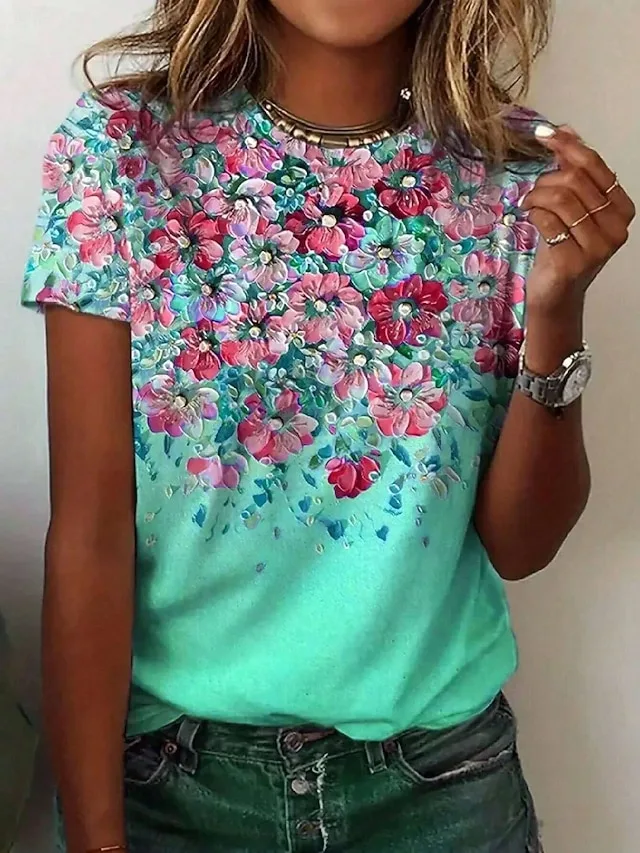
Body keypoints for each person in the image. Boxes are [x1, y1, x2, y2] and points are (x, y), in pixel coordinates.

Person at [21, 0, 635, 851]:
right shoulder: (122, 150)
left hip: (441, 788)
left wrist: (558, 309)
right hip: (170, 787)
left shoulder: (517, 177)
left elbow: (521, 544)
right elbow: (89, 535)